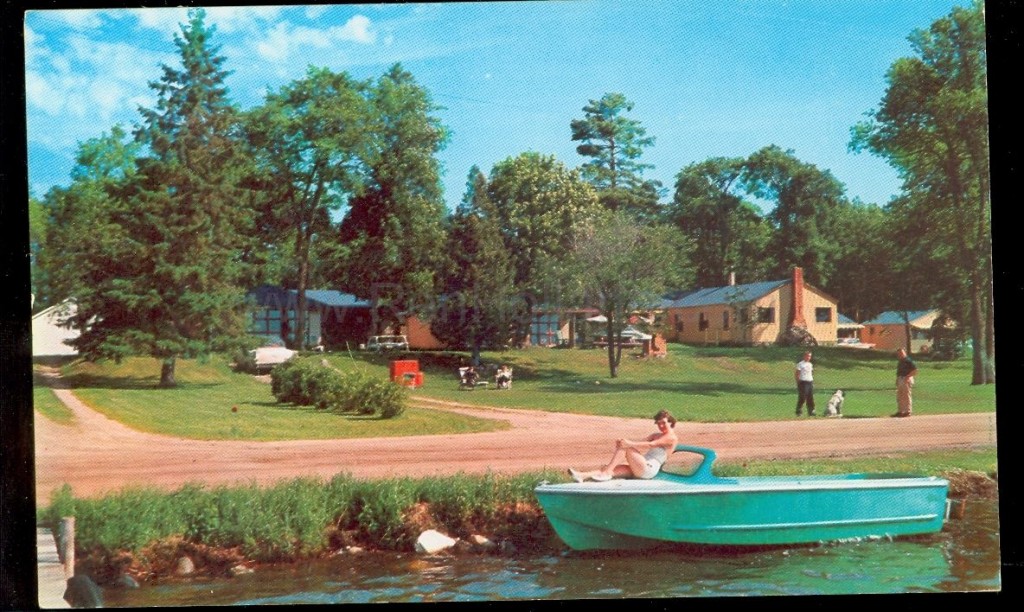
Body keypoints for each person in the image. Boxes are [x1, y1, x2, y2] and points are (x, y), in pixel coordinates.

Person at [568, 410, 679, 482]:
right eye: (659, 423)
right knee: (613, 468)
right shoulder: (656, 435)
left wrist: (628, 444)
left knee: (626, 447)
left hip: (649, 469)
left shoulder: (671, 438)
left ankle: (606, 473)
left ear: (670, 422)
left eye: (663, 422)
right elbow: (640, 442)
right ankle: (581, 476)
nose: (661, 425)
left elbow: (651, 444)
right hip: (641, 465)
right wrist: (623, 442)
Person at [894, 348, 918, 417]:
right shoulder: (900, 361)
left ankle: (908, 411)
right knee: (900, 396)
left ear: (905, 353)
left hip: (906, 379)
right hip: (900, 378)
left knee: (906, 396)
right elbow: (899, 372)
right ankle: (901, 411)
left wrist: (908, 377)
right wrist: (897, 379)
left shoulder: (908, 361)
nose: (900, 354)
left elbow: (915, 370)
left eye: (901, 353)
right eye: (899, 353)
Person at [794, 351, 816, 416]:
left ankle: (811, 411)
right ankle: (799, 411)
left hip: (810, 382)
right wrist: (798, 382)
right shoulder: (800, 364)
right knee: (802, 397)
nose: (809, 357)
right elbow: (797, 373)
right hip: (803, 382)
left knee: (810, 397)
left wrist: (812, 381)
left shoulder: (810, 364)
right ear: (804, 356)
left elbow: (811, 373)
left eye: (810, 356)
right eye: (807, 356)